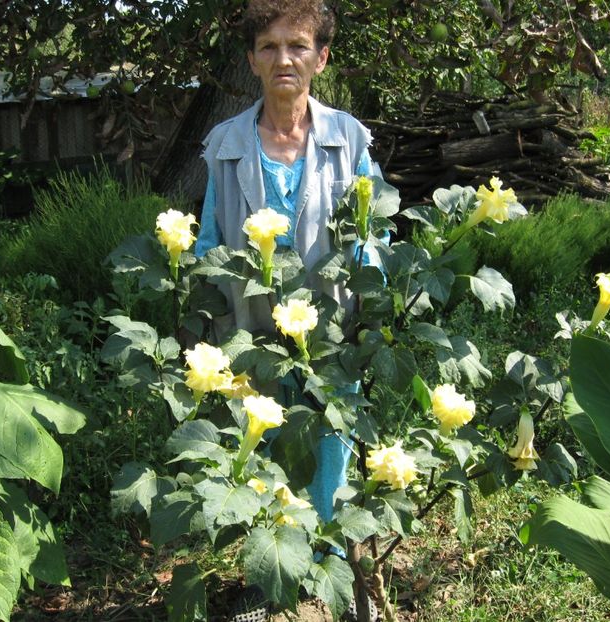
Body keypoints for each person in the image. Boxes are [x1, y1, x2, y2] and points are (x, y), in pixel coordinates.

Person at [194, 1, 379, 619]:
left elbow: (369, 231)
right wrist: (201, 327)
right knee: (261, 449)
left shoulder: (349, 140)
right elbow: (206, 243)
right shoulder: (224, 145)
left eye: (298, 46)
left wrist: (375, 311)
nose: (284, 59)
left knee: (330, 450)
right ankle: (272, 581)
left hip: (329, 336)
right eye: (269, 46)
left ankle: (331, 575)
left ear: (321, 58)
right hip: (249, 333)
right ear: (251, 59)